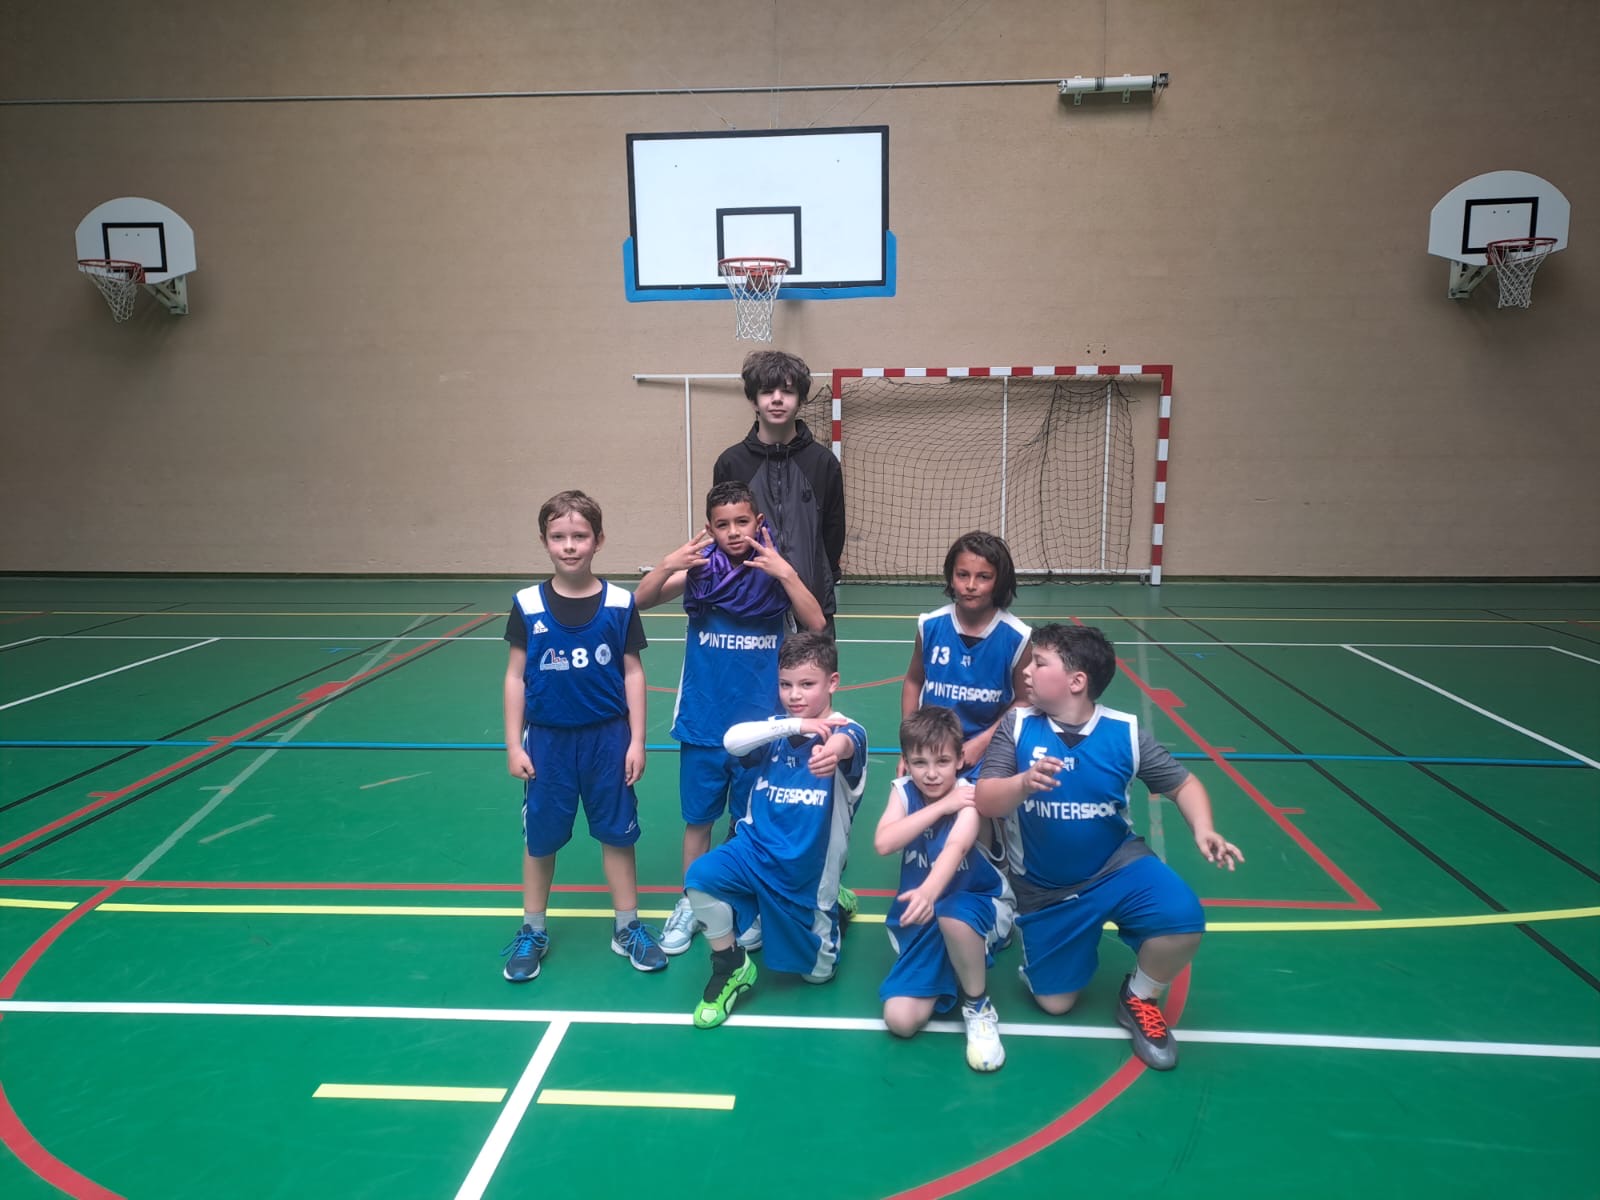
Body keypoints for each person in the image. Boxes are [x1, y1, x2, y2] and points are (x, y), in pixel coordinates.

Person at [974, 624, 1244, 1070]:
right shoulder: (1017, 726)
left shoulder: (1124, 732)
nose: (1027, 671)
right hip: (1046, 888)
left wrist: (1204, 828)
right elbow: (985, 800)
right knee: (1056, 1003)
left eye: (1039, 663)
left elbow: (1183, 784)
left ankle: (1139, 996)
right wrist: (1022, 783)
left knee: (1183, 918)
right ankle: (1059, 933)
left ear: (1076, 681)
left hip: (1116, 867)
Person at [633, 480, 827, 956]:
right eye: (723, 525)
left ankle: (746, 902)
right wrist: (668, 565)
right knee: (698, 821)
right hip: (703, 723)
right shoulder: (700, 572)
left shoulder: (773, 572)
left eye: (743, 521)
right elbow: (640, 601)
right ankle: (691, 902)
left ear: (758, 523)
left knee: (748, 823)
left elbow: (817, 623)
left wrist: (786, 573)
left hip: (761, 731)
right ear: (710, 528)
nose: (734, 532)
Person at [499, 489, 667, 982]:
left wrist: (637, 740)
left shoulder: (620, 603)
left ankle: (627, 926)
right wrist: (513, 744)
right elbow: (514, 677)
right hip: (547, 743)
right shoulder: (527, 604)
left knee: (618, 833)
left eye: (579, 535)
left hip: (607, 740)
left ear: (599, 540)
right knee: (541, 839)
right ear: (544, 541)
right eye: (558, 537)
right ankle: (532, 929)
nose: (569, 545)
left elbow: (633, 672)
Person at [681, 631, 868, 1028]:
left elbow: (847, 744)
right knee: (699, 878)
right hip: (754, 852)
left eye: (807, 684)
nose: (794, 694)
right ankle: (731, 967)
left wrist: (831, 752)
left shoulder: (848, 731)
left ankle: (833, 904)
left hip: (807, 874)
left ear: (832, 683)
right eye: (785, 685)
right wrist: (793, 724)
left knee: (817, 976)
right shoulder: (776, 730)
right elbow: (732, 741)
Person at [874, 707, 1016, 1072]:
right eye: (920, 762)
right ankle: (960, 962)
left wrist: (929, 891)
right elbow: (884, 842)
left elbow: (957, 846)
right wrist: (939, 809)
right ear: (906, 761)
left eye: (942, 761)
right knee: (900, 1020)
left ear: (960, 759)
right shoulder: (903, 792)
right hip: (926, 918)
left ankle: (978, 1005)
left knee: (953, 916)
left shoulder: (970, 796)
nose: (932, 773)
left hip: (977, 903)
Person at [712, 350, 845, 633]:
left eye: (787, 391)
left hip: (811, 603)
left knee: (813, 664)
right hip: (749, 605)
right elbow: (722, 532)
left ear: (801, 399)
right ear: (753, 400)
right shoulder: (731, 463)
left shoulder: (822, 463)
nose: (776, 399)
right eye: (766, 391)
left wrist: (818, 580)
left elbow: (833, 533)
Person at [901, 531, 1032, 775]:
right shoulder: (930, 625)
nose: (971, 585)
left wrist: (983, 743)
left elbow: (1025, 700)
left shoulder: (1017, 636)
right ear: (951, 577)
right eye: (962, 575)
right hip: (931, 749)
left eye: (983, 577)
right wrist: (910, 746)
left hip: (989, 750)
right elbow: (913, 681)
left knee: (978, 800)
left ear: (999, 581)